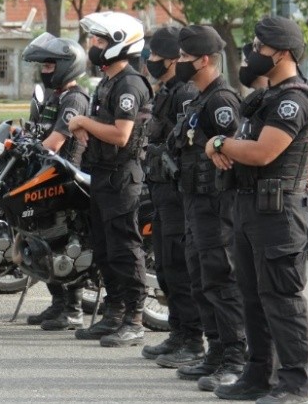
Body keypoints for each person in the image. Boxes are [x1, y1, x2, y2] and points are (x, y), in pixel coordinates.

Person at [205, 16, 308, 404]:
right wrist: (221, 144)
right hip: (250, 208)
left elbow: (261, 151)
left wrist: (218, 143)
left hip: (279, 214)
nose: (252, 53)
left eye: (259, 47)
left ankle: (293, 383)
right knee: (252, 297)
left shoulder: (293, 99)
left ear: (282, 53)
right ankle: (258, 376)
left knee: (282, 300)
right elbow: (244, 143)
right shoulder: (265, 97)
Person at [67, 11, 153, 348]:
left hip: (122, 177)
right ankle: (114, 312)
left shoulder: (130, 83)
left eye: (100, 41)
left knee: (124, 249)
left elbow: (121, 134)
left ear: (120, 44)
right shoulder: (107, 82)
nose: (93, 46)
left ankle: (134, 318)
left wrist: (84, 124)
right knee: (104, 250)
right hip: (101, 174)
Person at [170, 25, 246, 390]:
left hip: (216, 205)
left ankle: (236, 356)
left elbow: (232, 154)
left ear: (204, 60)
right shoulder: (199, 98)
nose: (179, 62)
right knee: (201, 278)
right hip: (194, 202)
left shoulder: (221, 101)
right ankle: (216, 350)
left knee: (221, 278)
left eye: (185, 57)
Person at [138, 26, 204, 366]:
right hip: (160, 190)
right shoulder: (167, 90)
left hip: (177, 194)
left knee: (179, 267)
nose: (149, 61)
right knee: (165, 266)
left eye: (155, 56)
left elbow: (187, 144)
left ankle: (192, 341)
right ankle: (178, 332)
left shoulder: (185, 92)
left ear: (175, 58)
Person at [21, 32, 90, 331]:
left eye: (50, 66)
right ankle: (58, 303)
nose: (45, 71)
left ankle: (73, 308)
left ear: (67, 66)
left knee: (61, 241)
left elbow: (56, 140)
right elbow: (37, 133)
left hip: (66, 178)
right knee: (41, 240)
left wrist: (36, 148)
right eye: (44, 66)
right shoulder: (54, 96)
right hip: (45, 175)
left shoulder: (75, 98)